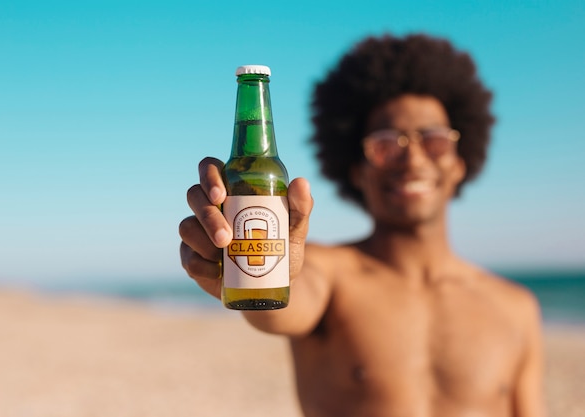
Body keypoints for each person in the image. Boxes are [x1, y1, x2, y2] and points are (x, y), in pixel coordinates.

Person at [179, 33, 545, 417]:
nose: (413, 159)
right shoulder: (329, 275)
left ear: (459, 161)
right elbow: (285, 298)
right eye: (387, 144)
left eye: (434, 141)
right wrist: (251, 274)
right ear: (357, 169)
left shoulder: (516, 308)